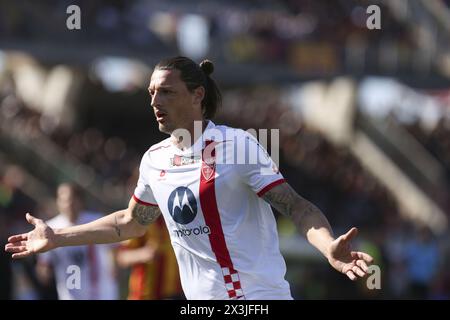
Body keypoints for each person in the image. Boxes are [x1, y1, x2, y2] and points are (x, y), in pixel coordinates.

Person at [5, 56, 373, 300]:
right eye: (151, 92)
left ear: (197, 95)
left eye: (166, 91)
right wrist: (57, 237)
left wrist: (327, 247)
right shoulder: (154, 160)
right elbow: (129, 223)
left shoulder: (238, 145)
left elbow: (296, 206)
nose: (154, 101)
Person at [35, 183, 118, 300]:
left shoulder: (97, 221)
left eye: (71, 199)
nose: (68, 204)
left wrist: (113, 265)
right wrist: (44, 271)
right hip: (70, 294)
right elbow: (44, 264)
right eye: (63, 200)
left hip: (102, 292)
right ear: (57, 202)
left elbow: (113, 249)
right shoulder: (50, 228)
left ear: (80, 200)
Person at [115, 216, 184, 300]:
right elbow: (121, 257)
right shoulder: (141, 221)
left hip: (175, 295)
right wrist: (143, 254)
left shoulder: (180, 220)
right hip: (144, 295)